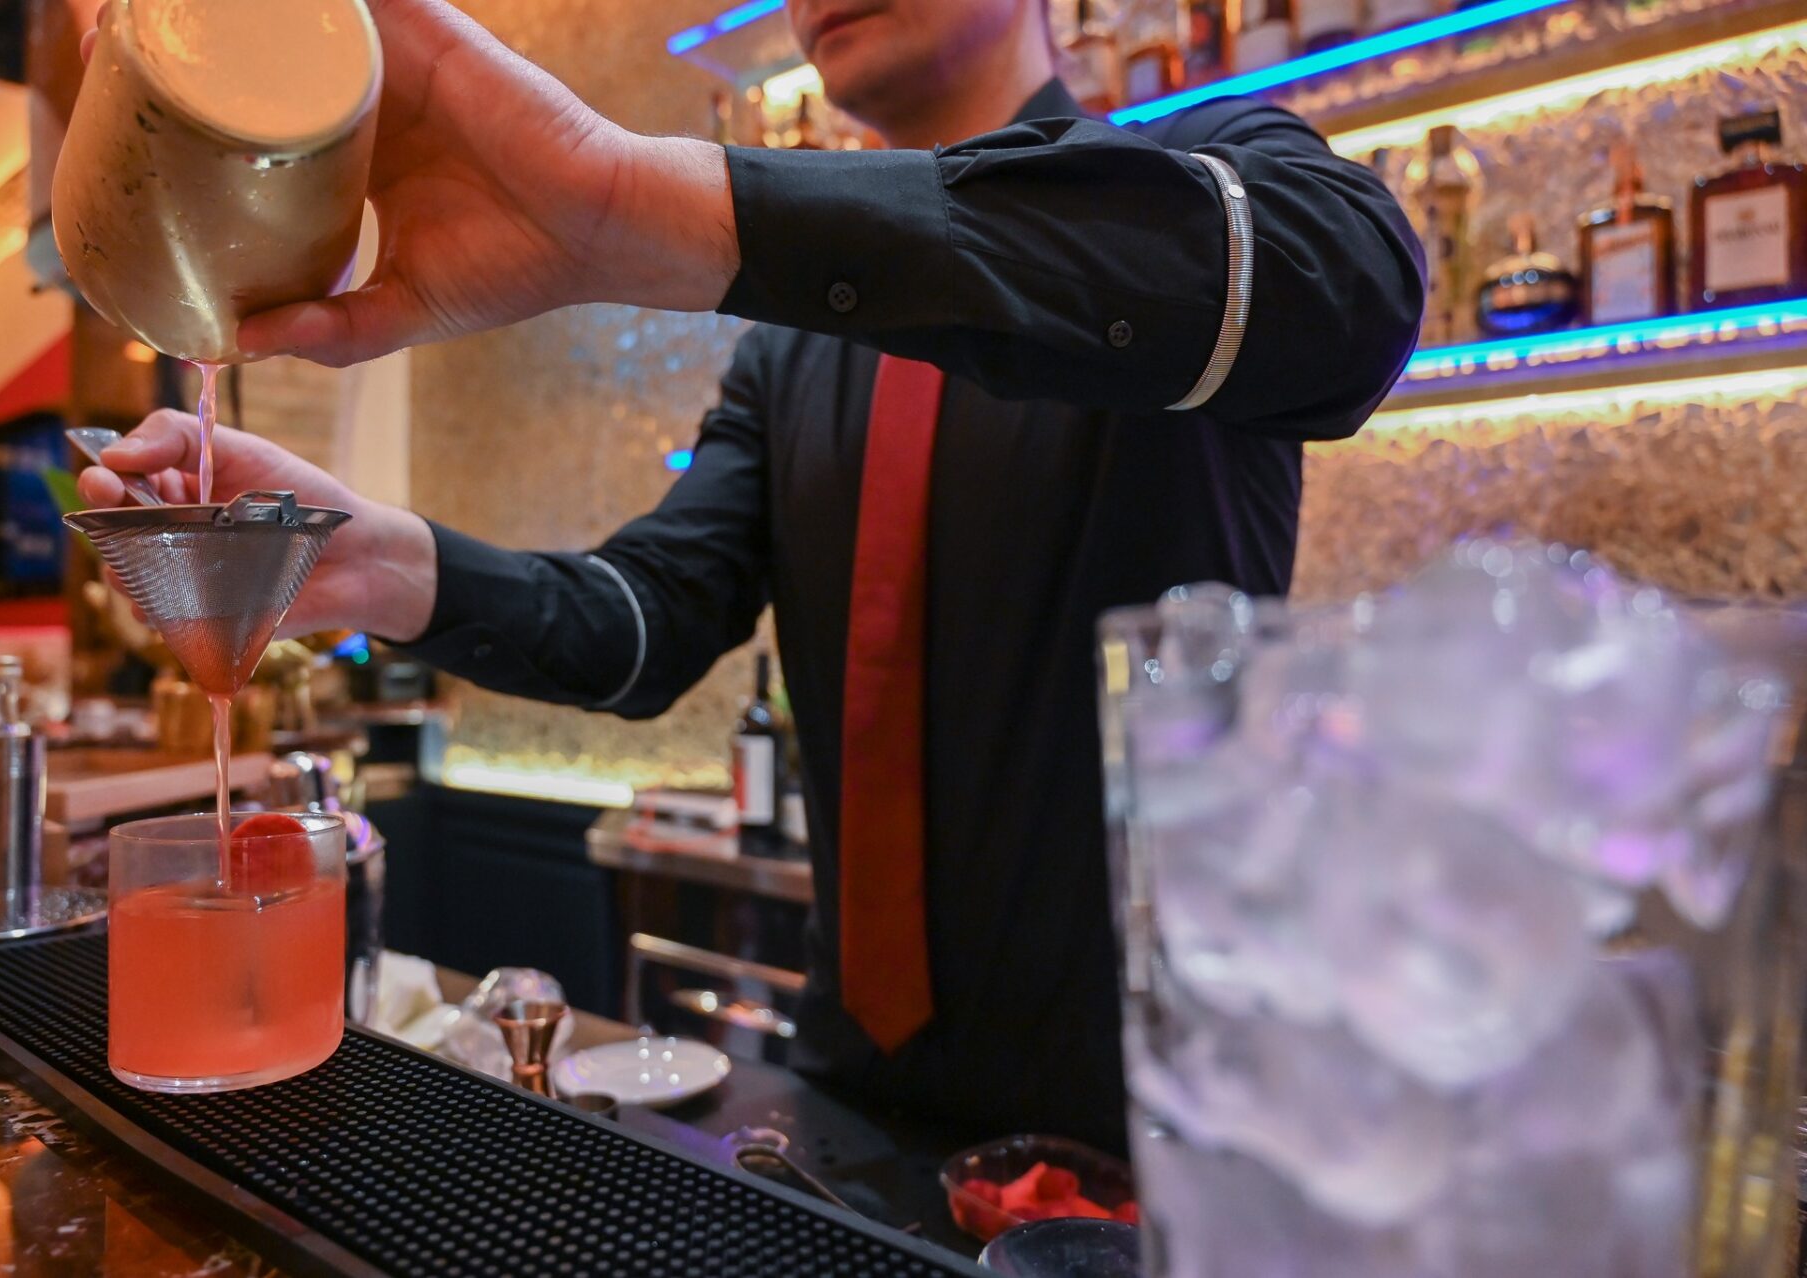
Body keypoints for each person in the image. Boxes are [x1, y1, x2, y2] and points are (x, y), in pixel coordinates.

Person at [80, 0, 1424, 1151]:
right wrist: (377, 561)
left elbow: (1348, 282)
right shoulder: (794, 354)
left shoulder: (1197, 184)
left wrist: (634, 205)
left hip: (1158, 1135)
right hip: (851, 1104)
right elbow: (641, 624)